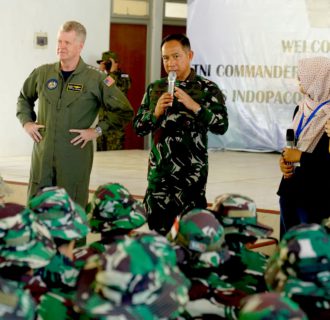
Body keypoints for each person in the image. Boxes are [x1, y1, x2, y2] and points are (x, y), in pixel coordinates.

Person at [16, 21, 134, 208]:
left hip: (73, 159)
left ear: (80, 46)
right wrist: (27, 123)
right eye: (59, 41)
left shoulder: (97, 78)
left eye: (67, 43)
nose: (61, 47)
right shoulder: (43, 73)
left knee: (72, 215)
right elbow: (24, 98)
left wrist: (97, 130)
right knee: (37, 216)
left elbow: (124, 111)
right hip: (42, 159)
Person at [133, 33, 228, 235]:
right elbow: (139, 128)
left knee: (190, 238)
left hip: (191, 182)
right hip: (159, 180)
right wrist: (155, 113)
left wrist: (196, 107)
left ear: (190, 55)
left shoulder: (207, 89)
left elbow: (221, 126)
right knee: (158, 237)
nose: (171, 63)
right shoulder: (155, 89)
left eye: (176, 56)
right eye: (166, 58)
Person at [277, 56, 330, 237]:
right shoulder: (301, 108)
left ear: (318, 81)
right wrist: (285, 163)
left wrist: (300, 157)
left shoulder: (329, 116)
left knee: (309, 249)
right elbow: (292, 146)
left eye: (302, 76)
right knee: (288, 244)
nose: (298, 80)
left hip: (316, 195)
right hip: (290, 188)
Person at [96, 51, 132, 151]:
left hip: (115, 126)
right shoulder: (101, 76)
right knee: (101, 160)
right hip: (102, 124)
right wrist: (100, 73)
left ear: (116, 63)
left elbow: (112, 88)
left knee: (115, 158)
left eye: (108, 63)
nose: (105, 65)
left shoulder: (123, 77)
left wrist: (112, 72)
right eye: (103, 63)